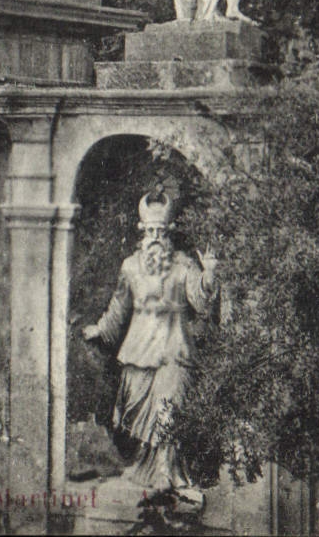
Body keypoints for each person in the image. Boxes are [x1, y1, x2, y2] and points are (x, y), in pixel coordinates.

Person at [82, 189, 217, 499]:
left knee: (169, 408)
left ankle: (166, 471)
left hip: (175, 352)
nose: (155, 237)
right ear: (142, 231)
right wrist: (100, 329)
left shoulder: (184, 266)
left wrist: (208, 276)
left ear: (169, 232)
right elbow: (119, 307)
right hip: (139, 351)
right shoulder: (130, 266)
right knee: (141, 415)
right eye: (150, 231)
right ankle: (149, 466)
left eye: (161, 231)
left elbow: (201, 302)